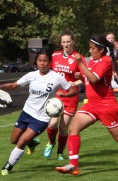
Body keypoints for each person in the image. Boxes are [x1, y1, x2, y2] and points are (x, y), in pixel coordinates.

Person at [55, 34, 118, 175]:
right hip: (92, 105)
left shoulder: (106, 61)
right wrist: (78, 78)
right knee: (73, 128)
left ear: (101, 50)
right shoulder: (93, 62)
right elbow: (88, 78)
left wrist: (80, 64)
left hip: (106, 106)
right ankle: (73, 165)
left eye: (92, 49)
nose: (90, 51)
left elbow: (94, 79)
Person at [0, 49, 77, 175]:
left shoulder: (56, 77)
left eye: (45, 61)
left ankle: (8, 165)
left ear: (50, 62)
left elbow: (73, 89)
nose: (42, 63)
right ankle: (32, 143)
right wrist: (0, 87)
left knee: (22, 141)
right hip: (26, 112)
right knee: (14, 140)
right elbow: (14, 85)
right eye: (40, 60)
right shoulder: (31, 75)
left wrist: (65, 95)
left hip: (42, 118)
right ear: (36, 62)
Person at [42, 30, 86, 160]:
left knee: (63, 128)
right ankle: (51, 143)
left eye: (68, 42)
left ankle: (60, 152)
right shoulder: (55, 55)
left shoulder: (78, 57)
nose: (66, 44)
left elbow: (84, 78)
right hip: (58, 95)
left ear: (73, 42)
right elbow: (48, 71)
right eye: (63, 42)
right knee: (52, 124)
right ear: (61, 43)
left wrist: (76, 80)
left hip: (71, 96)